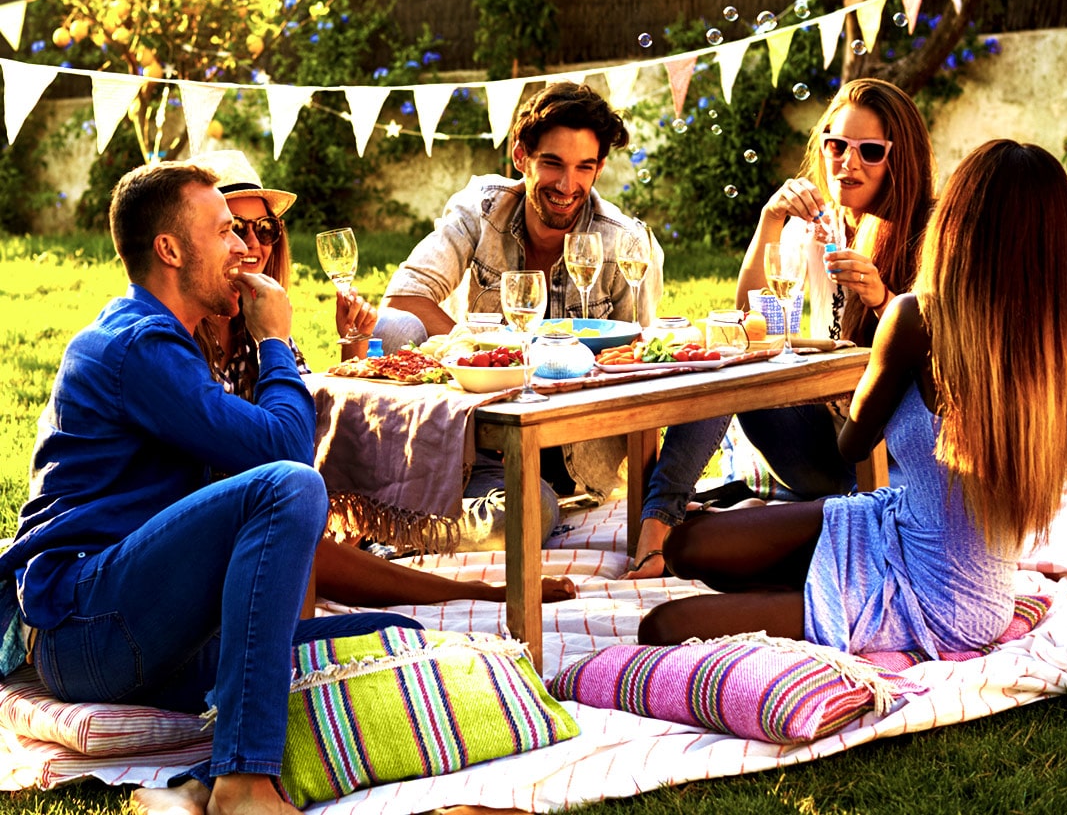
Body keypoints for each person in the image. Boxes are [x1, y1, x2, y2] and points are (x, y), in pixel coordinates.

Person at [0, 160, 420, 815]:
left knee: (391, 638)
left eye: (251, 234)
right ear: (170, 249)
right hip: (86, 626)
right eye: (226, 231)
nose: (244, 249)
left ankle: (190, 783)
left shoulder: (174, 341)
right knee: (286, 488)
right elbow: (287, 457)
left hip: (150, 624)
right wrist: (275, 338)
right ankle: (242, 783)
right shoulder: (138, 347)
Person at [638, 139, 1067, 653]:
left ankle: (816, 602)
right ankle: (807, 595)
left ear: (956, 225)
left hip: (941, 598)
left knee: (661, 629)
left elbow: (851, 445)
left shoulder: (918, 319)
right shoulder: (1062, 344)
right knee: (687, 545)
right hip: (894, 520)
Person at [191, 148, 574, 605]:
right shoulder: (182, 344)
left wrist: (351, 349)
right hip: (255, 524)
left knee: (534, 502)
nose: (252, 244)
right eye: (234, 227)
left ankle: (396, 544)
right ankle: (464, 584)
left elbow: (316, 421)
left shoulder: (262, 325)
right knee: (521, 513)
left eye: (265, 228)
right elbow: (283, 454)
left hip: (308, 506)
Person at [627, 78, 936, 578]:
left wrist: (883, 302)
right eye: (837, 146)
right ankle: (658, 523)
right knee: (726, 350)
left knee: (733, 544)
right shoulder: (817, 228)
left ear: (900, 160)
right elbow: (751, 319)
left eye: (870, 151)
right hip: (818, 447)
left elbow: (941, 377)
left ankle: (793, 520)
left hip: (893, 463)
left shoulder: (931, 234)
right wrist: (769, 221)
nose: (848, 163)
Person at [376, 79, 664, 501]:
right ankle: (438, 489)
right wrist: (484, 357)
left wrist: (648, 503)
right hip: (485, 435)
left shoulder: (626, 244)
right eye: (552, 163)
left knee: (534, 510)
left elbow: (643, 375)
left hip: (573, 454)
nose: (568, 185)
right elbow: (402, 300)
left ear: (599, 168)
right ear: (520, 156)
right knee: (392, 327)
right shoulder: (482, 209)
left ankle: (444, 512)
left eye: (584, 166)